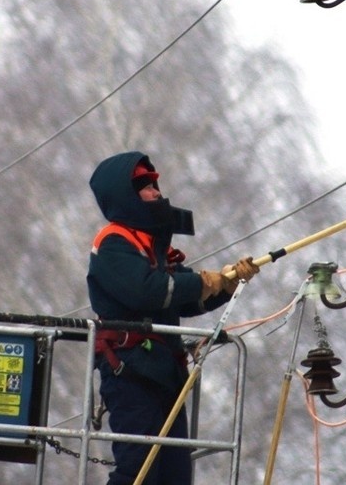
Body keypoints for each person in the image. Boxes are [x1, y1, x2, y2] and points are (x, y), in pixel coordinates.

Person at [87, 151, 259, 485]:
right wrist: (203, 281)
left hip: (164, 375)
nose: (156, 192)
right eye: (145, 187)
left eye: (155, 184)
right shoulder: (113, 244)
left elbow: (183, 300)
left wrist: (226, 283)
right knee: (138, 471)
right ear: (126, 197)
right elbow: (148, 291)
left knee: (175, 474)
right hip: (130, 373)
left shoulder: (153, 250)